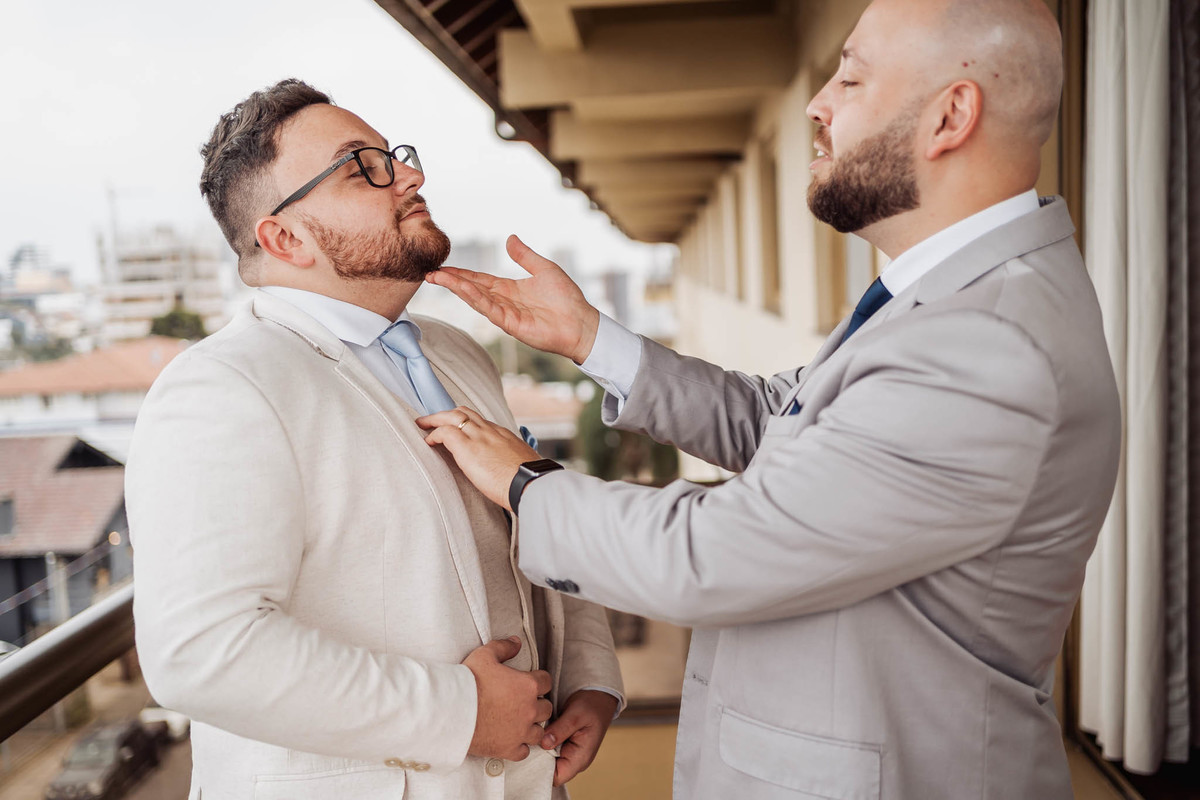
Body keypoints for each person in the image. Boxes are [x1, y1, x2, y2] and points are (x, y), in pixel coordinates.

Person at [416, 0, 1121, 798]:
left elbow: (717, 555)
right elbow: (781, 424)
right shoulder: (951, 300)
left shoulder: (986, 344)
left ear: (951, 116)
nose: (818, 105)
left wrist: (527, 483)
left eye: (850, 76)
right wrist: (591, 340)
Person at [126, 79, 623, 800]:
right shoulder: (222, 388)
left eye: (395, 156)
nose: (410, 176)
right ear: (285, 237)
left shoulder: (458, 352)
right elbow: (199, 652)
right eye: (364, 167)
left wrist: (590, 677)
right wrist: (460, 714)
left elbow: (530, 524)